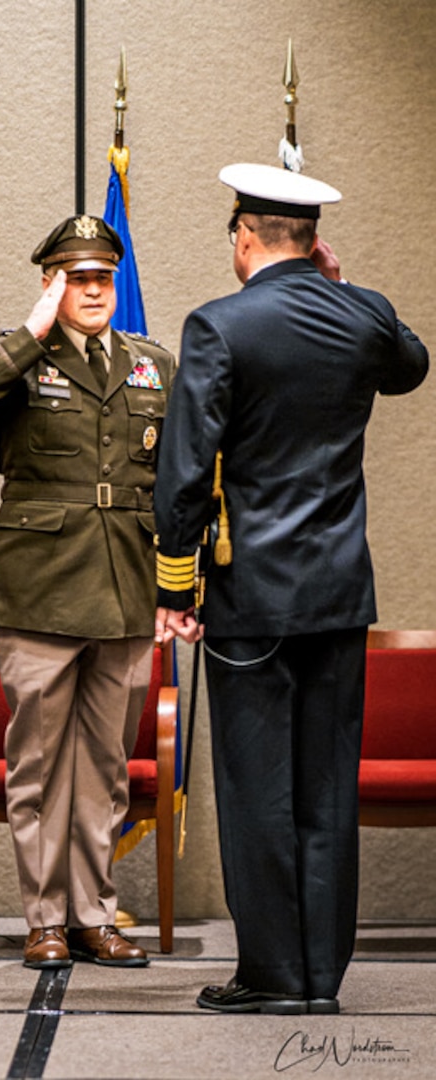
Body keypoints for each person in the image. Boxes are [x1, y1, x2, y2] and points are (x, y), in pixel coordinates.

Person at [154, 163, 428, 1015]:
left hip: (252, 597)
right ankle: (320, 977)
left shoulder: (219, 326)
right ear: (312, 242)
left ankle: (271, 975)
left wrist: (176, 582)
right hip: (340, 594)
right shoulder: (364, 315)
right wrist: (344, 292)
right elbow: (411, 366)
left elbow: (184, 467)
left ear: (243, 237)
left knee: (256, 785)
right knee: (325, 786)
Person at [0, 214, 176, 968]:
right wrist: (31, 328)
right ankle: (44, 917)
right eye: (76, 278)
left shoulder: (150, 365)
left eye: (101, 279)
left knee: (104, 769)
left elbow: (176, 474)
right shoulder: (15, 356)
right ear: (50, 281)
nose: (92, 291)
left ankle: (93, 914)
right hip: (39, 590)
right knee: (39, 765)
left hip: (123, 587)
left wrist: (179, 586)